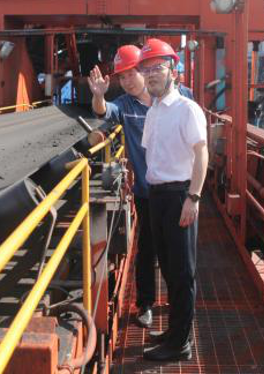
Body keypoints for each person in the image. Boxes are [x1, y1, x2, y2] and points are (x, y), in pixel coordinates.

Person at [87, 44, 194, 330]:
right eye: (122, 77)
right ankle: (145, 304)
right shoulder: (125, 105)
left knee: (179, 256)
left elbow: (199, 143)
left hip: (180, 191)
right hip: (148, 194)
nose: (127, 81)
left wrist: (195, 194)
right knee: (147, 249)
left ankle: (178, 310)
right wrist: (98, 95)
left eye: (132, 73)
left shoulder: (180, 98)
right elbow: (103, 111)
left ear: (145, 71)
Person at [138, 38, 208, 362]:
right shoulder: (153, 111)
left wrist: (193, 197)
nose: (151, 74)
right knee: (167, 267)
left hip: (180, 194)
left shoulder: (186, 109)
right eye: (146, 69)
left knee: (182, 273)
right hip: (157, 196)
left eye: (158, 67)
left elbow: (201, 153)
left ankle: (180, 344)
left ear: (173, 71)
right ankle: (177, 331)